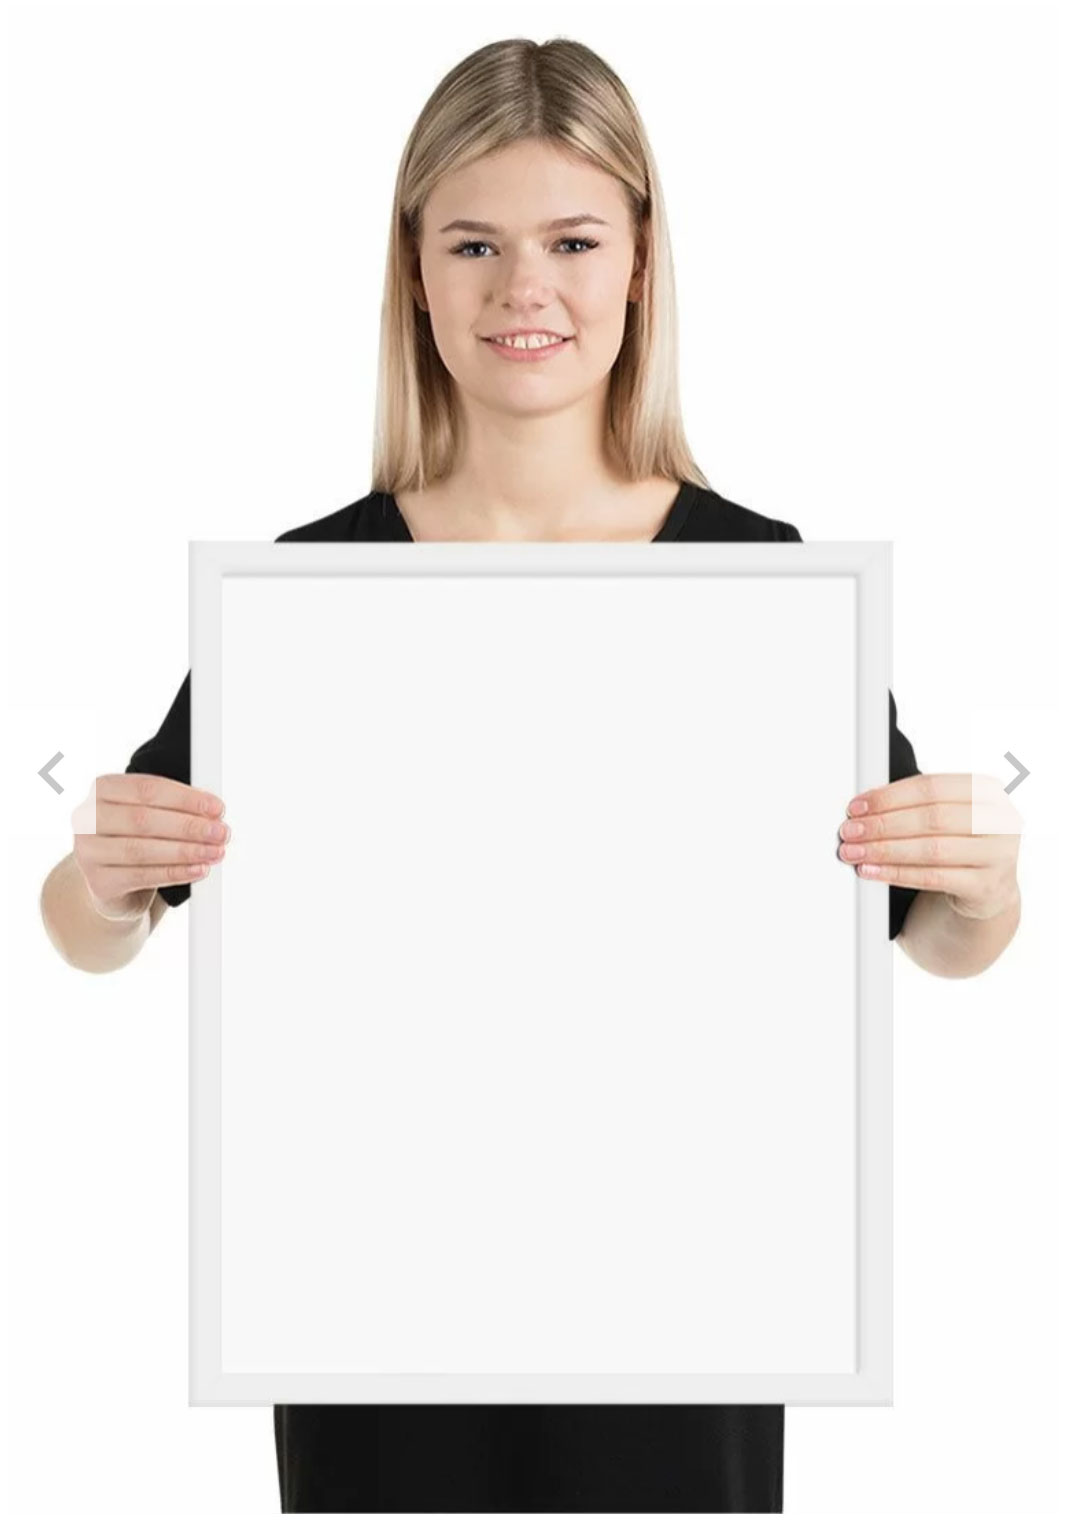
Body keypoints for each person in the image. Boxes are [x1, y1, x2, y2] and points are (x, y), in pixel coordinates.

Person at [39, 34, 1023, 1516]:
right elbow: (89, 925)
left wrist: (982, 882)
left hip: (689, 1306)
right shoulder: (305, 595)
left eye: (571, 240)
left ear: (640, 263)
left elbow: (925, 930)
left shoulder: (765, 587)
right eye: (473, 244)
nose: (524, 289)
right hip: (367, 1305)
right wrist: (108, 878)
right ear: (414, 272)